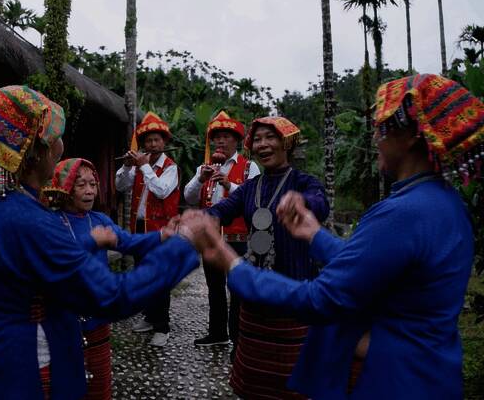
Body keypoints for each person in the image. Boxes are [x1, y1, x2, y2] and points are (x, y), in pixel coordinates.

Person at [200, 74, 484, 399]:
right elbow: (368, 263)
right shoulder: (445, 202)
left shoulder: (401, 214)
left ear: (408, 137)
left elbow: (321, 299)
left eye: (382, 128)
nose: (375, 138)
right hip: (432, 370)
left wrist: (230, 262)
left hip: (394, 379)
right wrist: (315, 235)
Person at [0, 85, 202, 399]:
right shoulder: (30, 220)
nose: (61, 147)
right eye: (54, 138)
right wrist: (185, 243)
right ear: (34, 152)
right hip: (20, 372)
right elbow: (111, 296)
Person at [206, 116, 329, 399]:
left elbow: (320, 205)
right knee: (254, 382)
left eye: (270, 137)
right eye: (258, 139)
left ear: (286, 142)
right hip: (256, 301)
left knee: (293, 385)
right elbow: (222, 209)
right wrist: (205, 218)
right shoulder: (251, 187)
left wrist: (303, 204)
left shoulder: (304, 182)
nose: (263, 144)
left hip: (295, 298)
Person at [43, 158, 169, 400]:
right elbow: (56, 259)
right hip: (64, 318)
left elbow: (129, 242)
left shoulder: (99, 220)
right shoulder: (52, 222)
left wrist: (162, 235)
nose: (90, 190)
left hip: (97, 317)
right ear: (66, 188)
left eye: (93, 184)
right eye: (81, 185)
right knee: (64, 385)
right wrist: (93, 241)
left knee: (99, 385)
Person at [183, 111, 260, 350]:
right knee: (214, 287)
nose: (220, 141)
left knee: (238, 290)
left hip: (239, 239)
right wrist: (199, 179)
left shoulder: (249, 167)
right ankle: (217, 333)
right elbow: (188, 196)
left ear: (236, 140)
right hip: (211, 238)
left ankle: (239, 339)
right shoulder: (204, 167)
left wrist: (230, 184)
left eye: (226, 136)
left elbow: (257, 199)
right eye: (217, 136)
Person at [115, 112, 181, 347]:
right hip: (139, 229)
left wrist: (145, 168)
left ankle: (163, 327)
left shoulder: (171, 168)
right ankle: (150, 318)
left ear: (164, 143)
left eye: (157, 140)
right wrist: (125, 166)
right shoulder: (139, 166)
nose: (152, 145)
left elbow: (162, 191)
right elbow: (120, 185)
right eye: (148, 141)